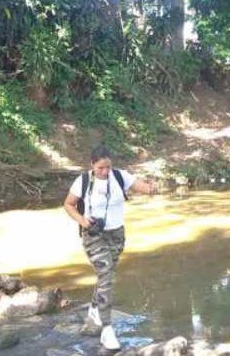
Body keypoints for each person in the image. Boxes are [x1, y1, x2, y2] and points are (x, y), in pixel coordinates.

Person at [62, 145, 155, 351]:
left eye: (108, 167)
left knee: (107, 274)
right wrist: (83, 221)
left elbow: (145, 189)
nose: (105, 172)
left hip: (116, 235)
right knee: (105, 274)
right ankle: (107, 329)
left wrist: (151, 185)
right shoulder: (84, 181)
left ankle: (95, 309)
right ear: (92, 165)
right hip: (93, 235)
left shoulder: (120, 177)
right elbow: (68, 204)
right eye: (101, 168)